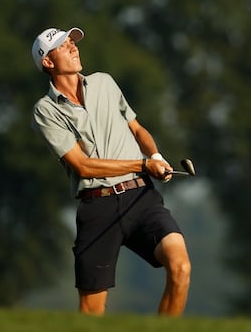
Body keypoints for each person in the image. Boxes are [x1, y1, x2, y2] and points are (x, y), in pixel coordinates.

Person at [30, 26, 191, 316]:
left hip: (140, 197)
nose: (73, 48)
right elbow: (82, 165)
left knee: (180, 267)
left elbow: (137, 128)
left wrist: (155, 154)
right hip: (98, 206)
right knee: (92, 313)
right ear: (48, 62)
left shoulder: (104, 82)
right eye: (64, 46)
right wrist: (143, 164)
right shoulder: (45, 110)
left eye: (73, 43)